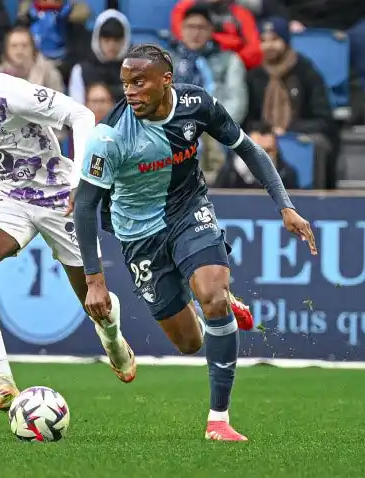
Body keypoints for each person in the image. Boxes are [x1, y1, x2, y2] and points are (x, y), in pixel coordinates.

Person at [72, 44, 317, 442]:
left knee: (212, 296)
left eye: (138, 82)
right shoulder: (110, 136)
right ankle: (213, 300)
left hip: (189, 211)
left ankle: (218, 419)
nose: (129, 91)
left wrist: (285, 206)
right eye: (125, 84)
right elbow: (84, 207)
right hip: (138, 235)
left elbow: (248, 149)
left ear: (166, 80)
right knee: (188, 341)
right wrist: (95, 280)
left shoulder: (196, 103)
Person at [0, 40, 136, 415]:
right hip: (9, 199)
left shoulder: (13, 94)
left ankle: (113, 339)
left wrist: (83, 179)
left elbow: (81, 115)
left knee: (95, 303)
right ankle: (2, 380)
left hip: (59, 196)